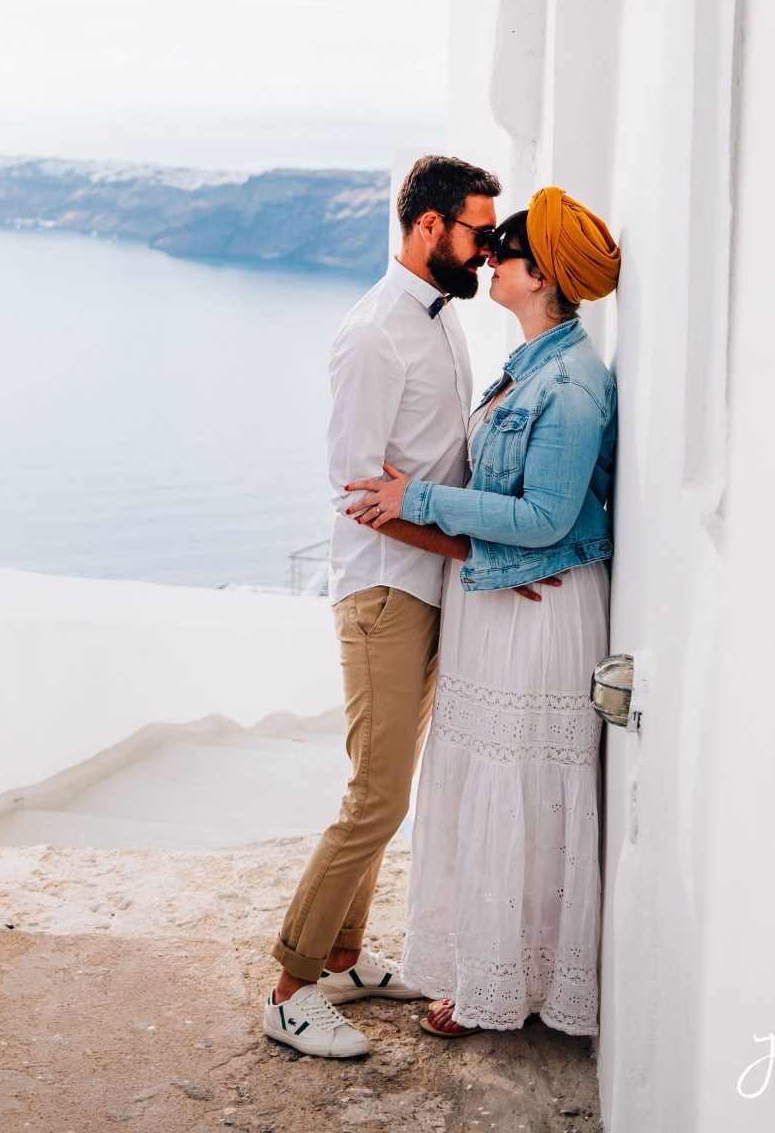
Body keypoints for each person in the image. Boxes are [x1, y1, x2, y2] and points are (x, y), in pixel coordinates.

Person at [344, 186, 620, 1041]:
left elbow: (546, 517)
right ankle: (486, 973)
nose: (488, 257)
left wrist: (414, 498)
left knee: (523, 791)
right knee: (487, 788)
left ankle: (508, 987)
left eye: (505, 250)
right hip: (499, 599)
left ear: (539, 276)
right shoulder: (532, 361)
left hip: (535, 615)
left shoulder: (571, 382)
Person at [262, 154, 501, 1059]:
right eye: (478, 232)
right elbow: (356, 490)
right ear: (430, 225)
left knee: (382, 793)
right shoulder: (372, 333)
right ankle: (290, 988)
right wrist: (470, 548)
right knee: (375, 798)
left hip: (430, 591)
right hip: (384, 593)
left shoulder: (441, 322)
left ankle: (348, 961)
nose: (486, 252)